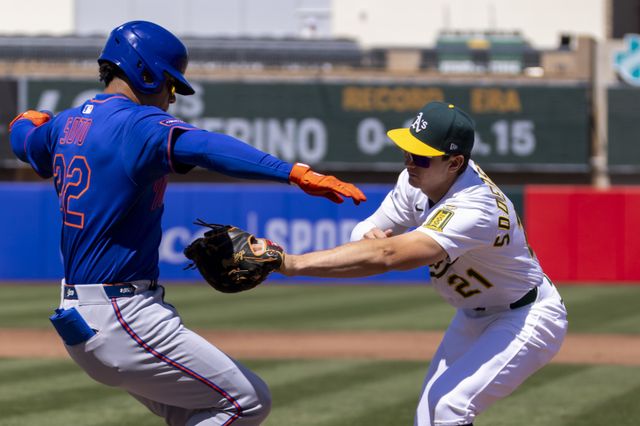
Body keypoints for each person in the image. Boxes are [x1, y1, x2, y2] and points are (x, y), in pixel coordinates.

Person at [8, 21, 365, 426]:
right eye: (171, 84)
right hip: (122, 316)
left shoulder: (65, 125)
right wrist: (291, 172)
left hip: (80, 316)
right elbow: (207, 147)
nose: (172, 97)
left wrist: (27, 119)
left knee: (195, 414)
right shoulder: (137, 124)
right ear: (145, 73)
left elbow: (23, 140)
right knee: (247, 402)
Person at [276, 101, 568, 426]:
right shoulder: (416, 181)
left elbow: (390, 256)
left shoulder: (475, 207)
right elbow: (368, 229)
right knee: (428, 417)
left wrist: (290, 263)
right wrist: (367, 238)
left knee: (450, 407)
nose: (409, 161)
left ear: (454, 162)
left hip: (526, 315)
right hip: (473, 314)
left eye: (421, 156)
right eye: (407, 150)